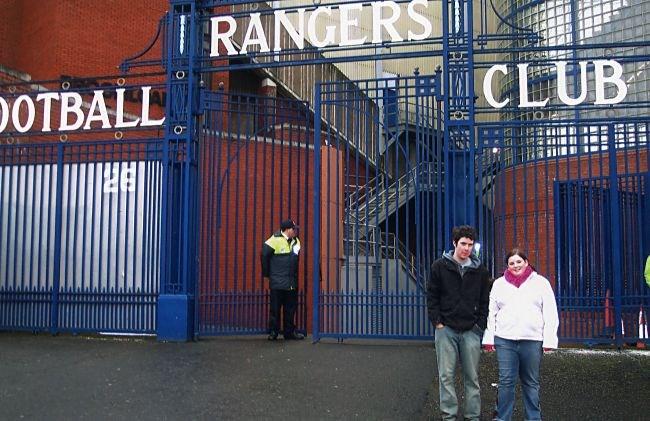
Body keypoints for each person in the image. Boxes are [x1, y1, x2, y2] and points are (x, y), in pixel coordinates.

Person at [482, 248, 559, 421]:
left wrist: (549, 339)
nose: (516, 265)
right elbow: (491, 312)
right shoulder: (499, 284)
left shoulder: (541, 283)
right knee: (506, 382)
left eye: (519, 261)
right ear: (507, 266)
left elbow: (550, 312)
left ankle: (533, 418)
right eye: (511, 263)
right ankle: (502, 417)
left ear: (526, 262)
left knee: (531, 383)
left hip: (532, 341)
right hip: (505, 340)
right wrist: (489, 338)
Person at [427, 225, 491, 421]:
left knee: (472, 377)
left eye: (470, 245)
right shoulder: (440, 266)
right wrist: (437, 321)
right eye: (463, 244)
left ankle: (473, 416)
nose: (467, 248)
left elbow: (484, 300)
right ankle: (449, 416)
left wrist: (479, 324)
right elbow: (432, 296)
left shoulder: (480, 270)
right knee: (446, 376)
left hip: (471, 330)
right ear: (454, 243)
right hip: (445, 329)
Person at [260, 218, 304, 340]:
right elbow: (264, 255)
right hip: (278, 282)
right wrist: (267, 273)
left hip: (291, 282)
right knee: (275, 309)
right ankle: (273, 332)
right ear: (287, 230)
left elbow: (295, 259)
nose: (295, 231)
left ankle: (289, 332)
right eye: (293, 229)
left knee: (290, 309)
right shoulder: (274, 240)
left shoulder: (296, 241)